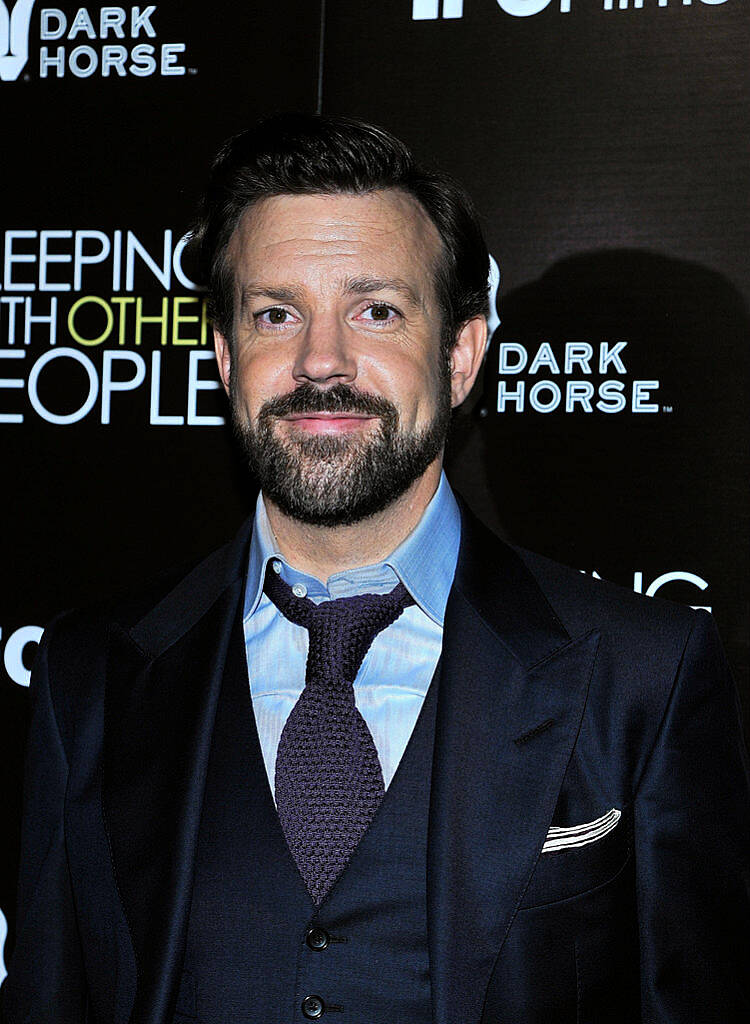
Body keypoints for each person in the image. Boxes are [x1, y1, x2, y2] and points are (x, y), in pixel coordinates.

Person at [2, 113, 749, 1024]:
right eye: (277, 314)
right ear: (226, 357)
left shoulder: (644, 677)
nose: (322, 361)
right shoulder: (90, 679)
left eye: (377, 311)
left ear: (462, 355)